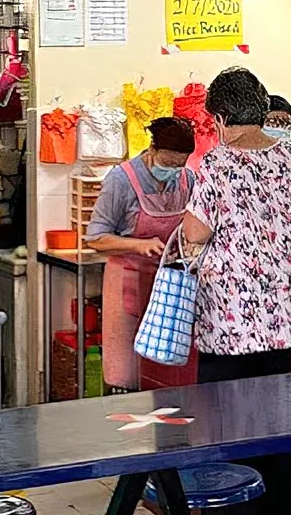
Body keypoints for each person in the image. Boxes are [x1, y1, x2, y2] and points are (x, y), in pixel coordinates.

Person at [183, 68, 291, 515]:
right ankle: (277, 506)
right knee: (273, 425)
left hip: (228, 323)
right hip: (280, 321)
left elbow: (195, 229)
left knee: (225, 427)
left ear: (222, 118)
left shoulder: (217, 163)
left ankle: (230, 508)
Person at [86, 116, 195, 391]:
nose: (173, 171)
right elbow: (96, 238)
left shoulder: (188, 179)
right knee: (126, 373)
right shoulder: (121, 180)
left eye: (179, 165)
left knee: (165, 375)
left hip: (169, 289)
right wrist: (137, 245)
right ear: (152, 149)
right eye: (168, 164)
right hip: (127, 283)